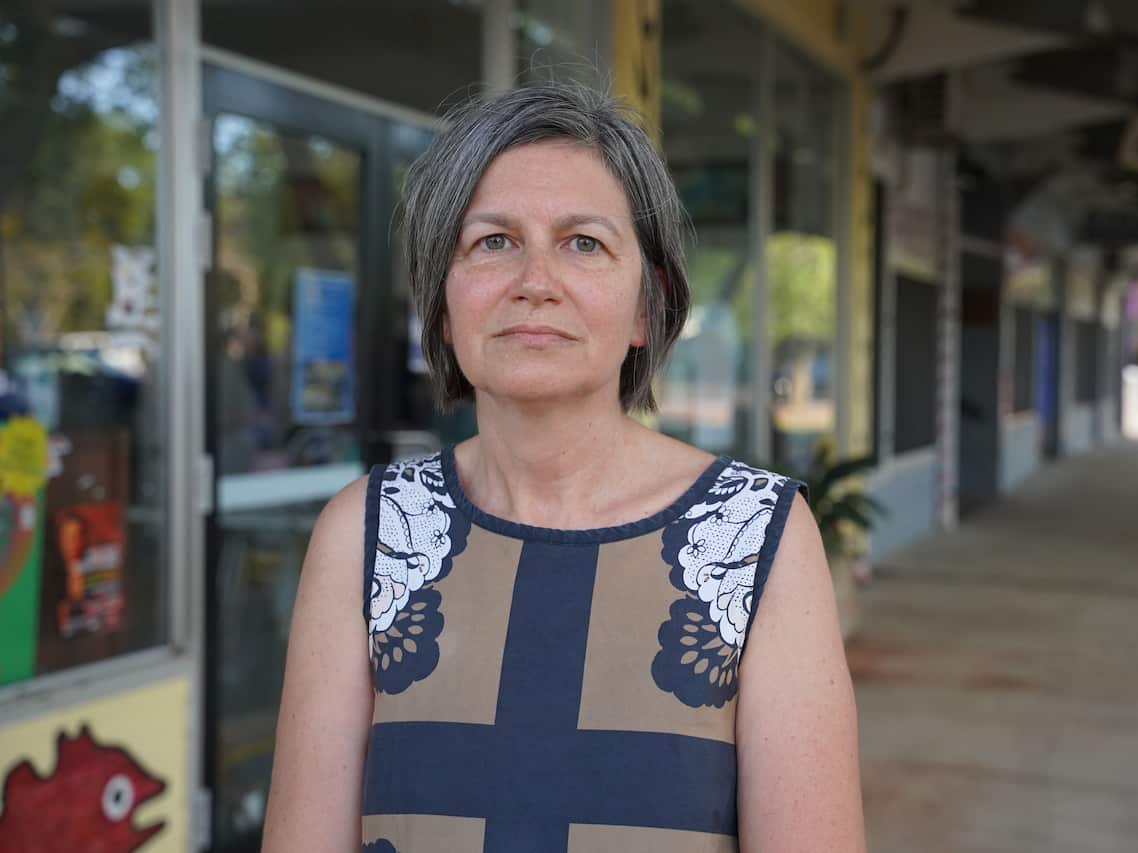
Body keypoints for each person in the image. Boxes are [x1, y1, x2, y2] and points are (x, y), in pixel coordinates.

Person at [262, 82, 865, 853]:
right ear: (443, 306)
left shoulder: (757, 538)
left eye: (584, 242)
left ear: (648, 307)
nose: (535, 281)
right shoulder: (365, 533)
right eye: (492, 241)